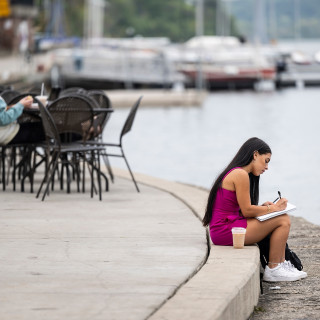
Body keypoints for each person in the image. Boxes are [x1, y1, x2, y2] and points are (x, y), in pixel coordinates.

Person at [202, 137, 307, 282]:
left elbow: (242, 210)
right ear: (255, 154)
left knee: (279, 217)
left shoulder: (237, 172)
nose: (267, 167)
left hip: (224, 229)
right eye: (266, 160)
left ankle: (282, 265)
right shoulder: (240, 174)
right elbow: (247, 211)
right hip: (226, 231)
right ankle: (274, 269)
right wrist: (274, 208)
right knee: (282, 219)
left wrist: (264, 208)